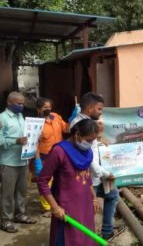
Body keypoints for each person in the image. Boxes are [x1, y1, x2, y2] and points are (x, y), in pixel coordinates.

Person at [37, 119, 99, 246]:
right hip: (67, 207)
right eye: (89, 140)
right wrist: (55, 207)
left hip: (85, 203)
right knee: (69, 239)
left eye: (93, 140)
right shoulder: (59, 151)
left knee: (86, 238)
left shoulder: (87, 151)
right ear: (77, 135)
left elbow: (86, 175)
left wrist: (93, 197)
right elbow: (42, 181)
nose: (91, 143)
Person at [70, 92, 119, 240]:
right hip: (88, 176)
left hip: (96, 174)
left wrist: (101, 141)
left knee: (113, 195)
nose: (101, 112)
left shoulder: (89, 123)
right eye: (99, 109)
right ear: (90, 108)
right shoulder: (80, 126)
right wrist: (104, 173)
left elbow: (92, 149)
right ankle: (89, 237)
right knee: (89, 208)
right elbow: (85, 157)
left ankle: (105, 231)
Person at [0, 91, 37, 233]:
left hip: (23, 161)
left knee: (22, 191)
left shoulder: (20, 116)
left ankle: (20, 214)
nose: (21, 106)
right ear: (9, 103)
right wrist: (16, 141)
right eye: (18, 103)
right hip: (8, 162)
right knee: (7, 193)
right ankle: (6, 220)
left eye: (23, 103)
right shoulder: (2, 118)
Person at [35, 97, 69, 217]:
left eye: (49, 107)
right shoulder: (36, 123)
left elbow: (67, 128)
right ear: (38, 109)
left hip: (59, 154)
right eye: (45, 107)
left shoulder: (56, 117)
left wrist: (74, 118)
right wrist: (37, 160)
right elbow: (34, 143)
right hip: (44, 156)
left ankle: (57, 201)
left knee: (58, 179)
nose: (48, 109)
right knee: (45, 182)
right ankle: (47, 207)